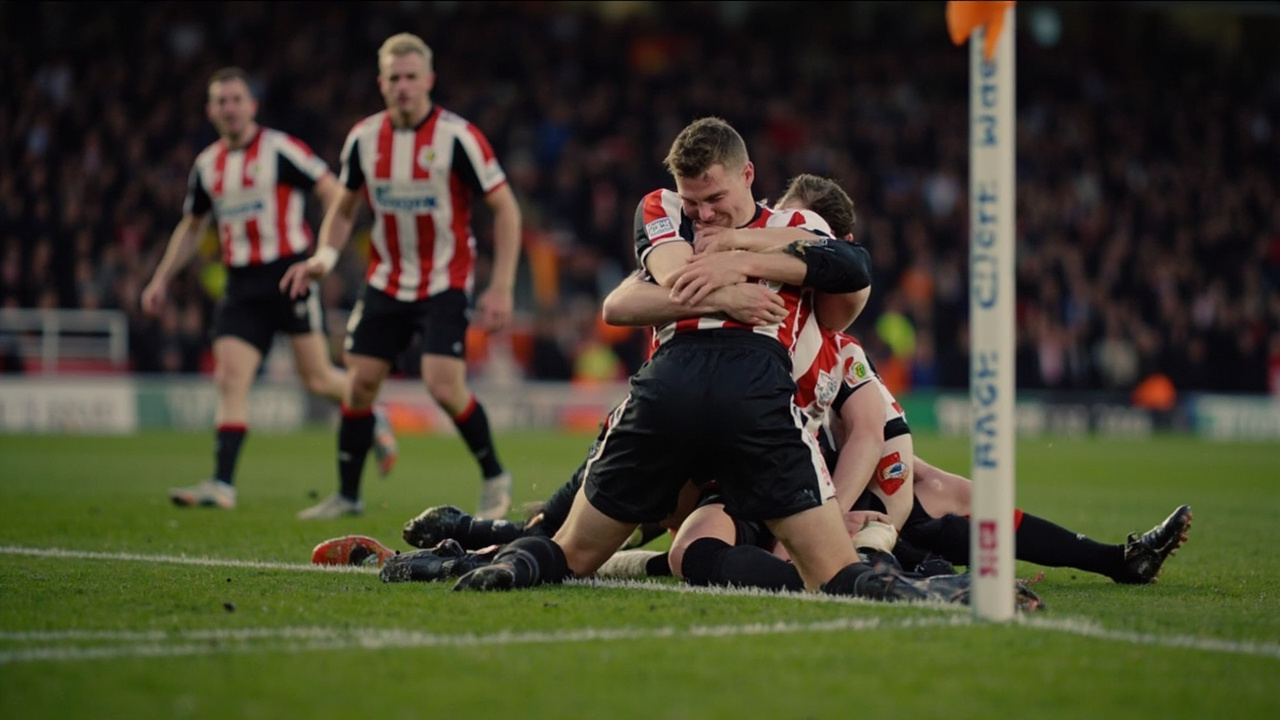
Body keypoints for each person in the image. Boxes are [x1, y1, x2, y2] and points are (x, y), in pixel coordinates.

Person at [450, 117, 941, 601]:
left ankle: (508, 560)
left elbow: (852, 268)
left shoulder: (794, 221)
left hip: (698, 384)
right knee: (833, 571)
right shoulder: (665, 206)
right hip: (735, 389)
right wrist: (733, 294)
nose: (703, 215)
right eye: (693, 202)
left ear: (748, 176)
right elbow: (650, 285)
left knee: (574, 551)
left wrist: (737, 252)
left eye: (714, 199)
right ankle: (931, 594)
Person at [282, 33, 522, 521]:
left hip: (444, 280)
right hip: (387, 280)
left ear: (429, 80)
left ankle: (496, 475)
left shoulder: (458, 137)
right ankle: (348, 495)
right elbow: (344, 209)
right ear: (381, 83)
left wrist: (501, 287)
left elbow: (507, 210)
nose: (403, 86)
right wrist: (325, 256)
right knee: (359, 383)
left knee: (443, 386)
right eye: (394, 78)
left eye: (412, 77)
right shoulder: (364, 139)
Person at [142, 66, 397, 511]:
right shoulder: (207, 165)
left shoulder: (279, 150)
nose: (230, 108)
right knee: (230, 378)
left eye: (237, 99)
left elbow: (333, 191)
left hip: (288, 274)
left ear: (251, 106)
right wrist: (161, 278)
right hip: (241, 283)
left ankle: (370, 413)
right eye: (221, 102)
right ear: (212, 111)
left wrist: (321, 253)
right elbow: (192, 225)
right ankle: (222, 485)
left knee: (317, 378)